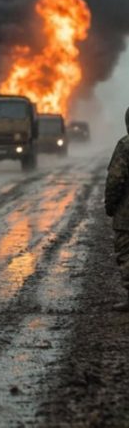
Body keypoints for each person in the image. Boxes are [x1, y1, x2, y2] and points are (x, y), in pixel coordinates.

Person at [104, 106, 129, 311]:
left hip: (127, 216)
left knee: (127, 254)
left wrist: (110, 206)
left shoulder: (125, 146)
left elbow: (116, 179)